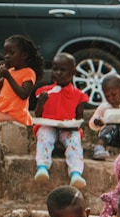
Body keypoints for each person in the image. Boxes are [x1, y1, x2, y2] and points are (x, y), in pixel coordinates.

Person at [33, 53, 89, 188]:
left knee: (74, 140)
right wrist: (40, 103)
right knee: (44, 134)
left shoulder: (78, 96)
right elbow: (38, 115)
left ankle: (75, 173)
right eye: (55, 69)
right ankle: (42, 167)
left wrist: (74, 125)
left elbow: (79, 119)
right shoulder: (45, 91)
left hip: (68, 128)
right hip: (48, 125)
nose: (58, 73)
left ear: (73, 72)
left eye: (63, 70)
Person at [0, 35, 44, 126]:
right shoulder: (10, 71)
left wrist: (8, 77)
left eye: (11, 53)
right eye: (6, 53)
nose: (7, 56)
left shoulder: (28, 72)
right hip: (2, 110)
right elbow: (0, 90)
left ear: (24, 55)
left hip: (15, 114)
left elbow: (24, 94)